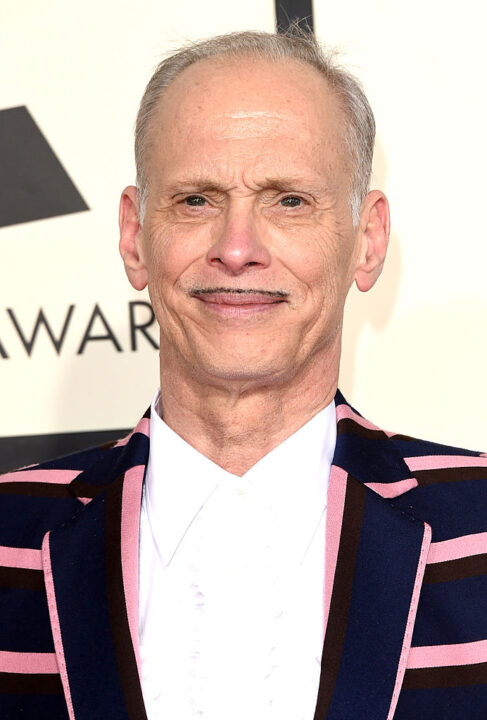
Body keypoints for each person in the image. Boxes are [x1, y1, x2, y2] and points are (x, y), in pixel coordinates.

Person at [1, 28, 486, 720]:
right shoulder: (9, 540)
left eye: (288, 200)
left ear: (367, 241)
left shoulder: (478, 528)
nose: (236, 249)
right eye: (195, 199)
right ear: (135, 237)